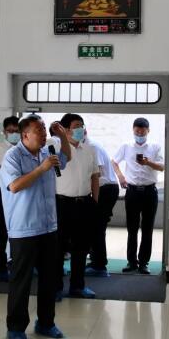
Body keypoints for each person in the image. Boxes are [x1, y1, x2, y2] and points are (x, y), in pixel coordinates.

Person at [0, 115, 71, 339]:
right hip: (24, 229)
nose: (43, 133)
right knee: (21, 280)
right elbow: (14, 186)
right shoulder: (13, 156)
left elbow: (66, 158)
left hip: (48, 226)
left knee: (50, 278)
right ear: (25, 135)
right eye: (38, 130)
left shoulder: (46, 152)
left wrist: (63, 137)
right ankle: (16, 327)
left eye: (44, 129)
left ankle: (46, 323)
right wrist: (42, 168)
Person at [112, 117, 165, 274]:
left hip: (150, 191)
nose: (139, 135)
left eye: (142, 132)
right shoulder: (126, 146)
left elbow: (162, 167)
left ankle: (144, 263)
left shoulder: (155, 147)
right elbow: (114, 162)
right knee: (132, 228)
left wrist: (148, 163)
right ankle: (131, 262)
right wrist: (120, 176)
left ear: (148, 131)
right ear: (133, 130)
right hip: (132, 191)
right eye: (137, 132)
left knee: (147, 229)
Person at [55, 114, 100, 299]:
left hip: (84, 203)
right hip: (62, 204)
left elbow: (95, 176)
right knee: (58, 248)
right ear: (66, 129)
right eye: (76, 126)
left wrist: (94, 202)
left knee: (81, 248)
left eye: (82, 125)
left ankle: (77, 286)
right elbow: (53, 173)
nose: (80, 129)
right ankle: (56, 288)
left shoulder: (90, 149)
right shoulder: (55, 148)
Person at [84, 133, 120, 277]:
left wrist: (93, 196)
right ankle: (96, 261)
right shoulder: (86, 146)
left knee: (97, 227)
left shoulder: (92, 146)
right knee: (95, 227)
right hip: (104, 188)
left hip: (105, 189)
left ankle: (99, 265)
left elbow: (96, 174)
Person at [0, 116, 20, 282]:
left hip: (21, 193)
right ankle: (1, 269)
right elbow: (10, 169)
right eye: (10, 131)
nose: (14, 134)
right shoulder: (0, 148)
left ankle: (19, 265)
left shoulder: (24, 147)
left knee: (21, 231)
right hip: (3, 193)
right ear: (4, 132)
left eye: (17, 131)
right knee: (2, 231)